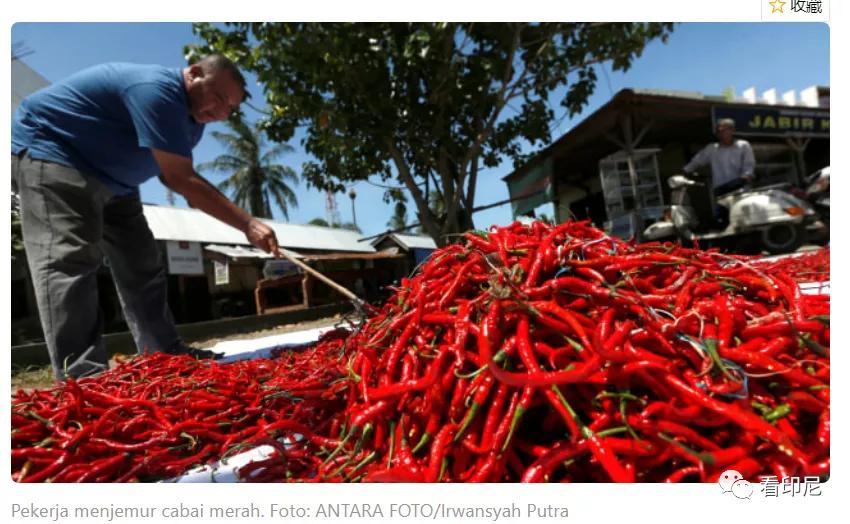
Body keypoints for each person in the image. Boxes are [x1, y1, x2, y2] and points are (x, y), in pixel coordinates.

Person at [12, 55, 283, 380]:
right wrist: (248, 224)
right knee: (69, 260)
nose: (222, 111)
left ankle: (164, 354)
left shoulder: (193, 122)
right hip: (56, 153)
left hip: (119, 184)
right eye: (219, 97)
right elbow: (180, 179)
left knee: (142, 262)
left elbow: (174, 177)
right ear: (194, 73)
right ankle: (83, 377)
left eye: (230, 107)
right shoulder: (157, 90)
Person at [683, 118, 756, 226]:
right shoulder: (712, 149)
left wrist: (746, 177)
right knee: (723, 221)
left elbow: (749, 166)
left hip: (740, 190)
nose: (720, 133)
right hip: (721, 191)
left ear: (732, 130)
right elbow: (697, 161)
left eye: (723, 130)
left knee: (744, 221)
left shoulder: (743, 145)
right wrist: (684, 171)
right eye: (718, 131)